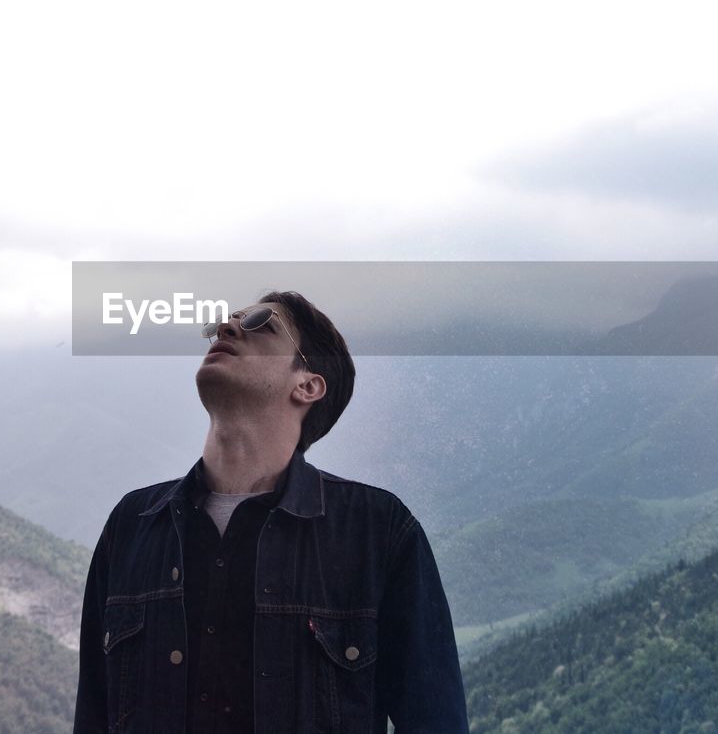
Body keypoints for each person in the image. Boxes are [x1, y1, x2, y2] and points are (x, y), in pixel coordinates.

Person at [73, 290, 468, 733]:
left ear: (308, 384)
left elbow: (436, 721)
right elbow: (93, 715)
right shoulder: (131, 525)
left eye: (262, 322)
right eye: (220, 323)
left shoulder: (378, 532)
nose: (225, 327)